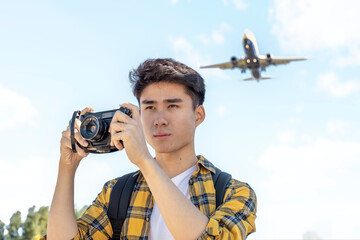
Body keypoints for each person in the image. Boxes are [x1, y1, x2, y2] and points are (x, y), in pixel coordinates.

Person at [45, 58, 257, 240]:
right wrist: (67, 167)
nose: (160, 120)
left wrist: (145, 161)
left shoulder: (234, 192)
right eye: (149, 107)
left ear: (198, 115)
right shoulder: (116, 193)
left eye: (172, 106)